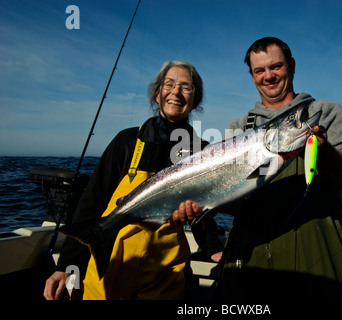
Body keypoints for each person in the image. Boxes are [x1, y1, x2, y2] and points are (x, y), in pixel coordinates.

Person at [43, 61, 222, 300]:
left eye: (186, 87)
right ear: (157, 93)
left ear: (195, 99)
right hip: (109, 268)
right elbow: (92, 203)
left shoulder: (201, 151)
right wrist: (66, 265)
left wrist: (213, 248)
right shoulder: (126, 141)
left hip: (164, 276)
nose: (175, 93)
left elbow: (203, 209)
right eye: (168, 84)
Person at [216, 37, 342, 300]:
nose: (269, 76)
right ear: (252, 76)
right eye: (259, 71)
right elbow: (238, 199)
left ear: (292, 66)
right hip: (253, 254)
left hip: (318, 249)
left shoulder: (325, 112)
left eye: (276, 67)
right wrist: (203, 205)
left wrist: (324, 151)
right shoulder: (238, 128)